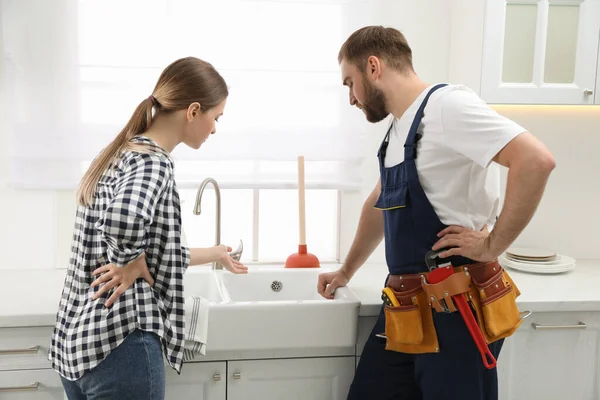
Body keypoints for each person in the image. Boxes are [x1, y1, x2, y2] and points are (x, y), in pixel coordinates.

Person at [317, 26, 556, 400]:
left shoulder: (448, 107)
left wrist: (494, 244)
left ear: (374, 66)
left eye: (350, 82)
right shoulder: (400, 127)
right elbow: (378, 206)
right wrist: (347, 270)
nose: (351, 97)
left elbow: (535, 160)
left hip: (458, 310)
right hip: (406, 308)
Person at [49, 56, 248, 400]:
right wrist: (130, 260)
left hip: (79, 347)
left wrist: (214, 253)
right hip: (124, 343)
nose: (215, 128)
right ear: (193, 110)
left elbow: (155, 254)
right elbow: (124, 221)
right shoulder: (154, 161)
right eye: (216, 118)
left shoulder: (119, 152)